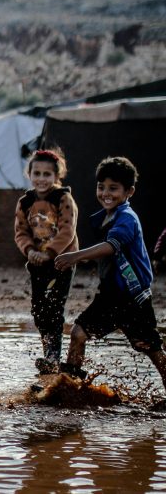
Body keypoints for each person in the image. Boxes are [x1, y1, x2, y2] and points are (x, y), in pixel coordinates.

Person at [54, 157, 166, 394]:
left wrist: (75, 256)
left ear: (129, 191)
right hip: (110, 294)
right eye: (101, 187)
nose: (106, 193)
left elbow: (111, 247)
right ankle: (68, 388)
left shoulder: (127, 219)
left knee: (149, 347)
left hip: (132, 298)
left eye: (113, 188)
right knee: (78, 333)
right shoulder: (107, 216)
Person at [13, 149, 78, 374]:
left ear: (56, 176)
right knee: (38, 310)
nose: (41, 178)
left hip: (61, 262)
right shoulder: (25, 202)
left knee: (55, 307)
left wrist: (50, 252)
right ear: (29, 174)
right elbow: (20, 231)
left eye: (47, 174)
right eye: (37, 173)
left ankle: (53, 356)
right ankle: (48, 350)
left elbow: (67, 230)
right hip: (37, 263)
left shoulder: (63, 198)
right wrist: (29, 250)